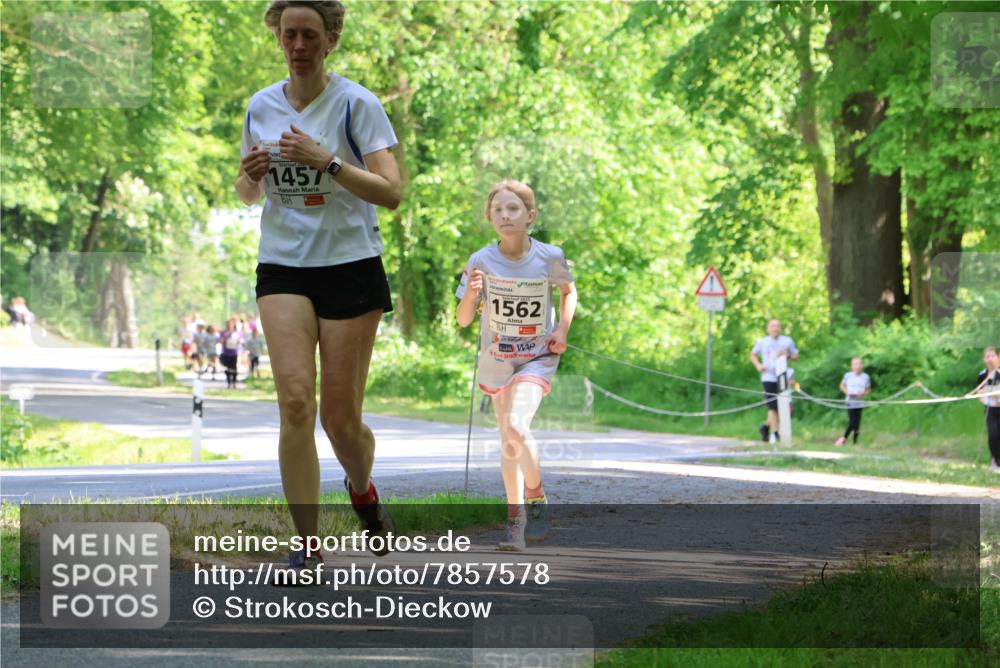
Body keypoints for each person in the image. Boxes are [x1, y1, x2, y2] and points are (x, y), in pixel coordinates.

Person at [236, 0, 402, 572]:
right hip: (283, 265)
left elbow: (391, 190)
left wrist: (326, 162)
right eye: (289, 34)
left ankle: (362, 488)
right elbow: (244, 191)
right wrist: (250, 176)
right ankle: (306, 547)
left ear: (330, 40)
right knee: (295, 402)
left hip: (350, 266)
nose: (298, 44)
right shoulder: (260, 105)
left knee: (340, 420)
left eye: (309, 34)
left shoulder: (358, 104)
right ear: (277, 39)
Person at [456, 180, 578, 552]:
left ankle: (536, 496)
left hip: (538, 356)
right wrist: (474, 294)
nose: (506, 216)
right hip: (497, 359)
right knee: (508, 442)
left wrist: (562, 329)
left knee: (515, 424)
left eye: (513, 209)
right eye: (498, 210)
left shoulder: (550, 256)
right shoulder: (479, 260)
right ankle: (515, 523)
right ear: (490, 217)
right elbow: (462, 320)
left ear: (531, 216)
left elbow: (568, 291)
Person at [750, 319, 799, 444]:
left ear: (780, 328)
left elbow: (795, 356)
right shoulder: (762, 341)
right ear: (768, 328)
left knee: (785, 406)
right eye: (773, 326)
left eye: (777, 326)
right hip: (768, 377)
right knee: (772, 406)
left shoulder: (787, 341)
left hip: (782, 376)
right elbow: (753, 355)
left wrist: (787, 355)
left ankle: (765, 427)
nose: (775, 328)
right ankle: (775, 433)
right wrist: (758, 366)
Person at [974, 346, 1000, 472]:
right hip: (990, 409)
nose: (990, 359)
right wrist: (985, 396)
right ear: (984, 359)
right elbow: (979, 393)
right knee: (993, 435)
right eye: (988, 356)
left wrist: (991, 392)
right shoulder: (982, 375)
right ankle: (996, 460)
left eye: (993, 356)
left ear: (998, 358)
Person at [836, 357, 871, 446]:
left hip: (860, 403)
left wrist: (863, 394)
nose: (857, 366)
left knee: (857, 423)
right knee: (852, 422)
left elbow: (868, 389)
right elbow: (841, 386)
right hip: (850, 401)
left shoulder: (866, 377)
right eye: (855, 364)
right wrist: (847, 392)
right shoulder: (847, 375)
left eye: (859, 364)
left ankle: (855, 442)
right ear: (852, 366)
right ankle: (843, 438)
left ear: (862, 365)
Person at [219, 317, 244, 390]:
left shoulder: (237, 333)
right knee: (227, 369)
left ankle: (234, 383)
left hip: (234, 353)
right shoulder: (223, 332)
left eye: (231, 324)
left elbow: (242, 340)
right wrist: (225, 336)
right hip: (226, 353)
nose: (230, 326)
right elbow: (220, 341)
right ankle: (229, 383)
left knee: (234, 368)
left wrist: (240, 341)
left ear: (233, 325)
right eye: (228, 324)